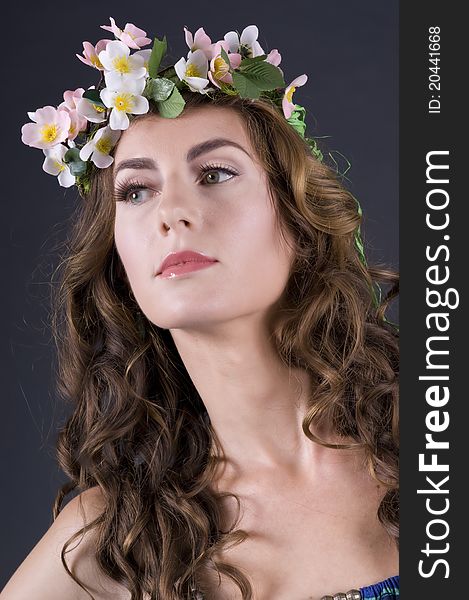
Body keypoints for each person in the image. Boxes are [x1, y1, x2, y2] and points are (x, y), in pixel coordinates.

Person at [5, 18, 399, 600]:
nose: (171, 212)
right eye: (137, 191)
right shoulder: (117, 542)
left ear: (299, 223)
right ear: (119, 259)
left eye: (214, 174)